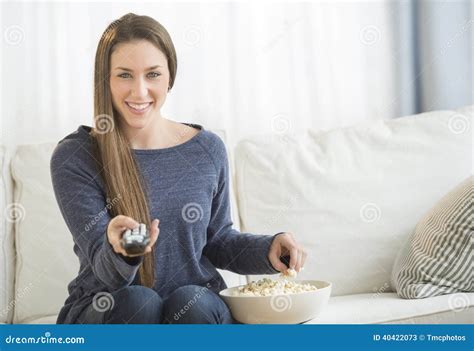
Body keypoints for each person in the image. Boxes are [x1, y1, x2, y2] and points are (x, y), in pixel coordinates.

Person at [51, 13, 307, 324]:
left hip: (195, 307)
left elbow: (218, 241)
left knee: (191, 300)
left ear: (170, 77)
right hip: (109, 307)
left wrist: (268, 250)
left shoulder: (206, 149)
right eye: (124, 75)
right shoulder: (75, 157)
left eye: (153, 74)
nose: (140, 91)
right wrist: (124, 250)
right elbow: (106, 270)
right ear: (105, 80)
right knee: (140, 301)